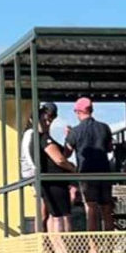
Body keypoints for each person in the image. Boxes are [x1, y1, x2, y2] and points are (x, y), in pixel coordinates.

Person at [65, 97, 114, 233]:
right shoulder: (104, 127)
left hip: (86, 174)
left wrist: (67, 136)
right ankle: (109, 248)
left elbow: (66, 154)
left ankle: (94, 249)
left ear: (78, 111)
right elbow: (110, 148)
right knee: (107, 208)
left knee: (91, 209)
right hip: (105, 172)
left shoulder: (75, 132)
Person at [35, 101, 77, 237]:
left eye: (51, 119)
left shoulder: (43, 137)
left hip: (49, 181)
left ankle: (51, 249)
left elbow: (63, 155)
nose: (48, 122)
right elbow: (59, 159)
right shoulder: (42, 138)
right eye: (47, 118)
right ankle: (60, 250)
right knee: (58, 216)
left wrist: (68, 139)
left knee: (50, 215)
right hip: (50, 181)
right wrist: (73, 169)